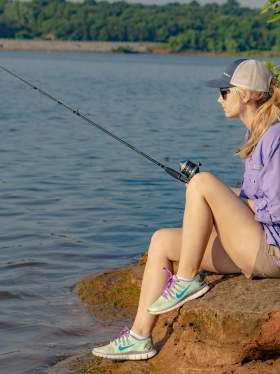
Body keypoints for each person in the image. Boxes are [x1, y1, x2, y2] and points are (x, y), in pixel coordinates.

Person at [92, 59, 280, 360]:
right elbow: (252, 197)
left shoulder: (275, 136)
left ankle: (187, 279)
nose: (219, 99)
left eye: (224, 91)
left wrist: (215, 198)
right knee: (162, 240)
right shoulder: (255, 135)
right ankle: (139, 337)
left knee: (203, 182)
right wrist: (212, 198)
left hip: (271, 250)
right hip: (253, 243)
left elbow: (274, 210)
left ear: (244, 94)